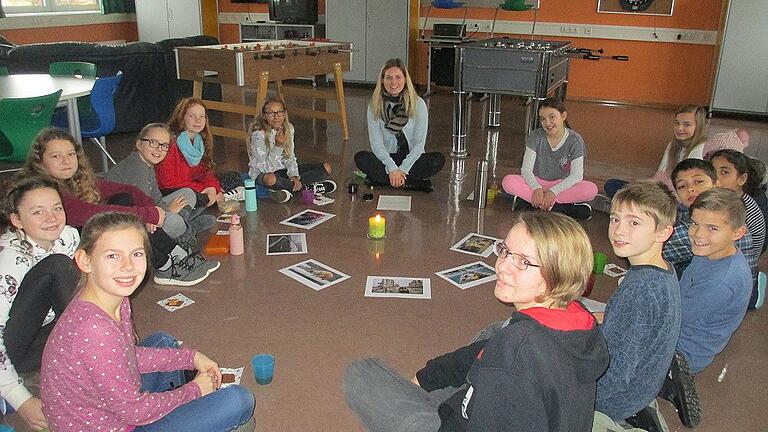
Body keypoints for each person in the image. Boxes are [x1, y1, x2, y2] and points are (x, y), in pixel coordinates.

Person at [344, 211, 609, 431]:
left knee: (362, 373)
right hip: (505, 397)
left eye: (523, 262)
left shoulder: (515, 351)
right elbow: (482, 353)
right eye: (505, 251)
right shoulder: (580, 320)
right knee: (494, 332)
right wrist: (427, 377)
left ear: (558, 274)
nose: (502, 266)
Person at [39, 212, 255, 431]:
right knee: (238, 401)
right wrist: (195, 390)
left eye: (136, 254)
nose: (127, 266)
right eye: (113, 256)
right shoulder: (94, 330)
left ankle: (179, 408)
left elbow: (127, 355)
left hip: (113, 411)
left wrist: (192, 357)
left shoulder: (114, 297)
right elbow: (135, 411)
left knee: (163, 341)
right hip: (115, 424)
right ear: (85, 261)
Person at [19, 128, 219, 287]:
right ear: (41, 161)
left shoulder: (75, 180)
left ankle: (176, 253)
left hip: (108, 232)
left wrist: (149, 211)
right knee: (122, 219)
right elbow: (91, 214)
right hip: (70, 254)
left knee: (124, 198)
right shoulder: (47, 191)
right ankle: (166, 266)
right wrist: (147, 214)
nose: (66, 161)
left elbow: (129, 190)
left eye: (71, 154)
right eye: (56, 156)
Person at [594, 181, 687, 431]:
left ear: (663, 233)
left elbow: (615, 374)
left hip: (613, 401)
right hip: (645, 386)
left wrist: (581, 395)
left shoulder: (640, 290)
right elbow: (634, 324)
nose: (618, 230)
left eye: (634, 222)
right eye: (615, 219)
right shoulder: (663, 269)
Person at [0, 177, 79, 431]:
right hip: (13, 346)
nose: (52, 217)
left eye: (57, 208)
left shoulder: (68, 236)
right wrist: (20, 400)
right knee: (58, 266)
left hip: (41, 335)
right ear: (17, 221)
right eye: (38, 212)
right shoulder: (12, 258)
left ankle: (97, 352)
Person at [676, 188, 751, 374]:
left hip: (681, 353)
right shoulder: (711, 251)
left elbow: (672, 318)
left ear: (737, 233)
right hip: (678, 328)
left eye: (712, 228)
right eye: (695, 223)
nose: (698, 234)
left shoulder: (721, 281)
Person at [106, 122, 216, 243]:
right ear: (139, 144)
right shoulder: (136, 167)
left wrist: (166, 209)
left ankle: (184, 230)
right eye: (153, 142)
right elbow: (143, 207)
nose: (159, 148)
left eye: (164, 145)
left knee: (188, 194)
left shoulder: (147, 165)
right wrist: (167, 211)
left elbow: (156, 198)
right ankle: (186, 234)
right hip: (127, 225)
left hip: (145, 212)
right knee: (176, 222)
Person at [354, 58, 445, 193]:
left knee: (437, 160)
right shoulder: (374, 106)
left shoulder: (418, 104)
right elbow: (376, 144)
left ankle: (386, 180)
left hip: (411, 159)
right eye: (388, 78)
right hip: (387, 158)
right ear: (382, 80)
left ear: (405, 79)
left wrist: (402, 169)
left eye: (398, 77)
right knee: (361, 158)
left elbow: (419, 144)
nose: (393, 82)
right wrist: (392, 168)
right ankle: (411, 183)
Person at [501, 97, 597, 220]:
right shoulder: (536, 136)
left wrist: (553, 192)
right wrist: (536, 188)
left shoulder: (575, 140)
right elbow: (526, 170)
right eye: (543, 119)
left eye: (552, 117)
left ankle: (532, 204)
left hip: (561, 184)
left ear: (563, 116)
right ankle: (562, 209)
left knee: (591, 190)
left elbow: (576, 176)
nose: (547, 123)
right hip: (537, 182)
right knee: (508, 181)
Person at [663, 159, 756, 280]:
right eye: (682, 186)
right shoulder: (706, 210)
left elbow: (650, 249)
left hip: (720, 288)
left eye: (698, 181)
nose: (690, 188)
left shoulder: (710, 222)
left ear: (716, 184)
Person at [603, 105, 708, 199]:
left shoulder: (700, 150)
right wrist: (640, 186)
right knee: (612, 184)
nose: (679, 128)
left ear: (698, 127)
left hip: (678, 200)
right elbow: (660, 177)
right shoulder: (673, 145)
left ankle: (625, 205)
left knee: (635, 197)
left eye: (687, 125)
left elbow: (687, 189)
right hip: (661, 193)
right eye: (676, 123)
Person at [247, 97, 337, 203]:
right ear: (265, 116)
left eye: (280, 112)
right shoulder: (258, 135)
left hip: (284, 172)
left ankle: (289, 189)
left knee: (327, 167)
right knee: (270, 179)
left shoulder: (289, 128)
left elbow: (290, 157)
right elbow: (265, 169)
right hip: (265, 173)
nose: (276, 117)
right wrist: (278, 147)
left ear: (285, 113)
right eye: (271, 113)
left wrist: (294, 176)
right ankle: (307, 188)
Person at [157, 97, 228, 207]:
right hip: (172, 190)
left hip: (193, 185)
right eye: (192, 116)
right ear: (182, 118)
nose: (198, 120)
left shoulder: (199, 141)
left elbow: (206, 173)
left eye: (201, 116)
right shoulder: (169, 143)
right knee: (197, 196)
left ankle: (214, 197)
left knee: (233, 177)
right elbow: (167, 182)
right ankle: (215, 199)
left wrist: (212, 187)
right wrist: (203, 189)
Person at [709, 149, 766, 256]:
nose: (715, 178)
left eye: (724, 172)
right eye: (712, 171)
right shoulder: (724, 200)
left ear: (741, 179)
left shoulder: (742, 208)